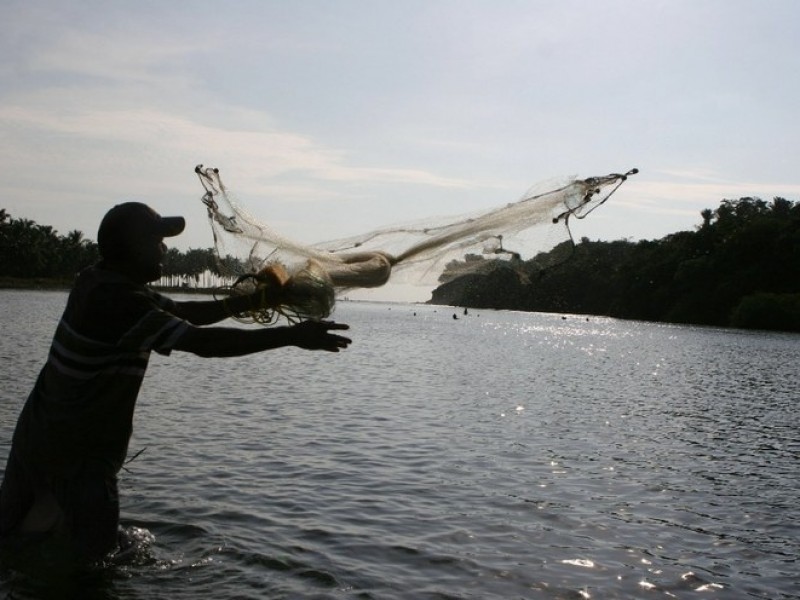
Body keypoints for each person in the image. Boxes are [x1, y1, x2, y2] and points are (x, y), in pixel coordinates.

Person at [0, 202, 351, 565]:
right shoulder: (119, 302)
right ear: (136, 248)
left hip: (37, 440)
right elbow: (202, 343)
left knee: (11, 544)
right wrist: (291, 336)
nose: (165, 248)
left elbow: (184, 313)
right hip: (78, 458)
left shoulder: (99, 281)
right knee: (93, 565)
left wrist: (257, 299)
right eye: (158, 240)